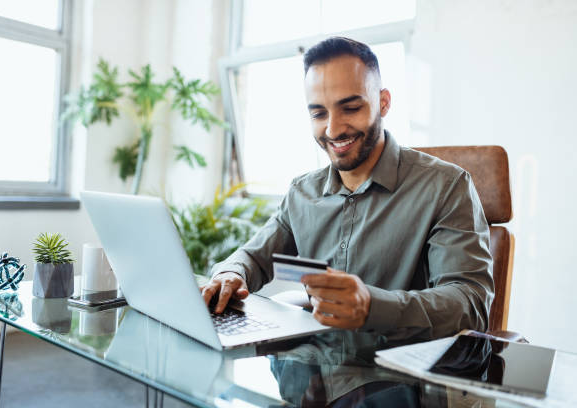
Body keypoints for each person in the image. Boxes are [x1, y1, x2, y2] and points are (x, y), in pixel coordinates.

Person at [201, 37, 494, 341]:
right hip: (312, 376)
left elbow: (470, 304)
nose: (333, 129)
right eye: (318, 113)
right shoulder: (302, 192)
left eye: (350, 108)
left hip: (397, 379)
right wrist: (230, 273)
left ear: (383, 102)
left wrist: (373, 306)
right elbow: (254, 257)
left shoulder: (445, 187)